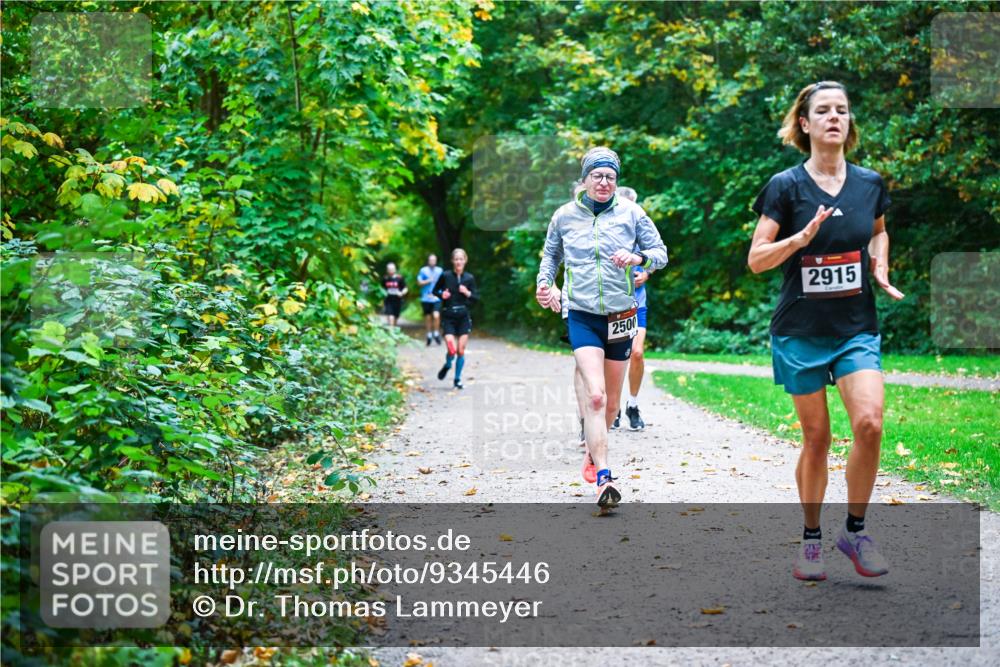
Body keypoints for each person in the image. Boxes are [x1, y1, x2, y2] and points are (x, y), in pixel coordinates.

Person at [747, 81, 904, 581]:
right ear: (805, 124)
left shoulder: (869, 183)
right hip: (801, 331)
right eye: (823, 110)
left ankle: (854, 532)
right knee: (817, 438)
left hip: (856, 326)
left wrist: (879, 264)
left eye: (842, 110)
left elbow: (878, 230)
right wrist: (799, 238)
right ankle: (811, 538)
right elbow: (756, 260)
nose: (834, 116)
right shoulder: (785, 186)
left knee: (870, 425)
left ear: (848, 122)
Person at [537, 147, 668, 508]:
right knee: (595, 396)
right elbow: (550, 255)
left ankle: (593, 457)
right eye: (597, 175)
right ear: (584, 179)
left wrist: (638, 258)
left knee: (609, 406)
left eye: (610, 176)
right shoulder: (564, 216)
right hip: (580, 313)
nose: (604, 182)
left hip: (620, 315)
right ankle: (606, 478)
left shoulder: (633, 214)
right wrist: (545, 284)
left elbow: (660, 252)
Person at [612, 186, 653, 432]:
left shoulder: (642, 227)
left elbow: (656, 255)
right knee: (616, 358)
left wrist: (647, 273)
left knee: (636, 353)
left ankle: (633, 405)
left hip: (638, 303)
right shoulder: (608, 228)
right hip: (614, 304)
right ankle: (613, 407)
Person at [433, 248, 478, 390]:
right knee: (451, 350)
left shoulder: (469, 278)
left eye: (461, 259)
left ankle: (457, 379)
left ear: (465, 261)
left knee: (460, 350)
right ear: (453, 261)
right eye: (456, 259)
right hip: (449, 315)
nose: (459, 261)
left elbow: (476, 298)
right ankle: (447, 365)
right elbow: (435, 290)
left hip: (463, 316)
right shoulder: (445, 276)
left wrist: (467, 292)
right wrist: (442, 295)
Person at [417, 254, 444, 346]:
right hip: (426, 298)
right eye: (431, 260)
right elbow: (419, 283)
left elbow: (444, 282)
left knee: (436, 315)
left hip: (437, 297)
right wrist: (428, 280)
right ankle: (429, 334)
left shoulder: (440, 270)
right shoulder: (423, 270)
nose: (432, 261)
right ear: (428, 261)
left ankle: (436, 333)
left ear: (436, 261)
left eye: (434, 260)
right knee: (428, 317)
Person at [381, 262, 407, 328]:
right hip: (388, 300)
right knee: (390, 317)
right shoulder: (385, 279)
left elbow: (405, 288)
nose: (391, 271)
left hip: (397, 300)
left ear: (395, 269)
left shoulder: (399, 278)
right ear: (387, 270)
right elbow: (381, 289)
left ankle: (393, 331)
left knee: (395, 317)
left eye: (392, 269)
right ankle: (391, 331)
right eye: (389, 269)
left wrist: (401, 293)